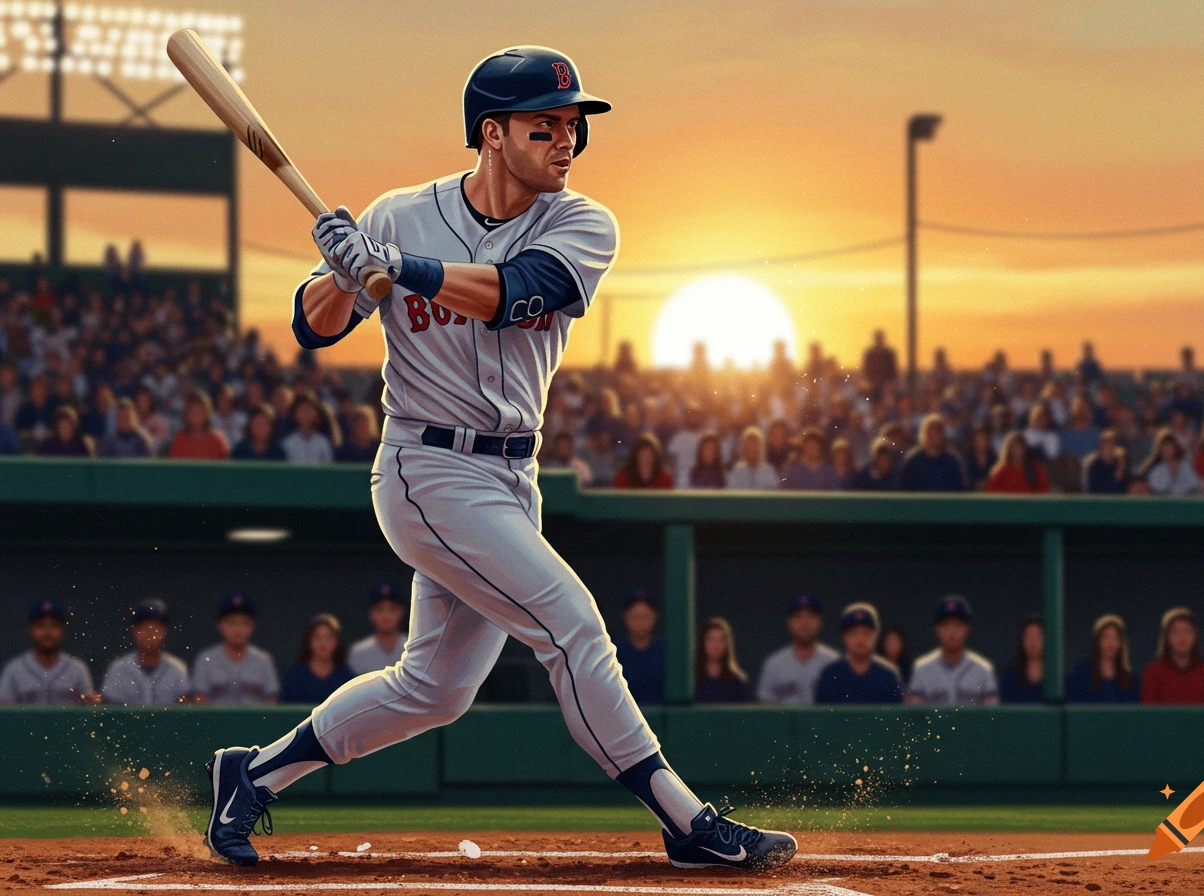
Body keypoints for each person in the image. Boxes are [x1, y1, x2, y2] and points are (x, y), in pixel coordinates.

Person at [202, 48, 795, 872]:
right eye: (544, 125)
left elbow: (515, 292)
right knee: (573, 627)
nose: (566, 141)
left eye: (572, 126)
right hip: (426, 468)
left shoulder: (582, 223)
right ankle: (685, 821)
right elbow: (313, 327)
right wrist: (339, 275)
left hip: (513, 476)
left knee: (434, 690)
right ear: (491, 133)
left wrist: (398, 267)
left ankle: (253, 775)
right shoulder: (398, 214)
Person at [905, 596, 999, 705]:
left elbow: (992, 713)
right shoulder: (922, 669)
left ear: (967, 628)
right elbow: (916, 714)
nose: (952, 631)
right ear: (937, 629)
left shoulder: (983, 670)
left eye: (957, 625)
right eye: (945, 625)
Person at [190, 595, 280, 705]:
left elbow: (271, 702)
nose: (238, 629)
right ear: (220, 625)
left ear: (252, 626)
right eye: (231, 622)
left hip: (254, 716)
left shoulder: (264, 660)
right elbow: (199, 702)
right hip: (217, 716)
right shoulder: (206, 659)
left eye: (244, 623)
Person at [0, 599, 94, 705]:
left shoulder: (77, 669)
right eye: (40, 626)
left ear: (63, 629)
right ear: (30, 629)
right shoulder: (14, 669)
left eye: (54, 625)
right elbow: (3, 709)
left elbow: (90, 709)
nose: (47, 632)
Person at [100, 601, 190, 705]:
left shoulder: (177, 669)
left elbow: (185, 708)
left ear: (164, 632)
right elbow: (109, 708)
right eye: (145, 628)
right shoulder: (119, 669)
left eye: (155, 628)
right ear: (134, 631)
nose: (150, 634)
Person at [756, 595, 839, 705]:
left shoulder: (834, 661)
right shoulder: (774, 664)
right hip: (785, 717)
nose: (805, 623)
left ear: (820, 622)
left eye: (811, 617)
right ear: (789, 622)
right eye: (798, 617)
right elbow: (766, 707)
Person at [814, 603, 902, 704]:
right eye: (854, 633)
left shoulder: (888, 676)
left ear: (875, 635)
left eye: (866, 633)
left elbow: (896, 712)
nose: (861, 639)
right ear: (844, 637)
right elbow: (822, 712)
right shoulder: (830, 675)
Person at [1141, 608, 1204, 704]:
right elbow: (1149, 710)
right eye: (1175, 631)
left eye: (1187, 631)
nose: (1182, 637)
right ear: (1166, 637)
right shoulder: (1153, 672)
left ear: (1195, 636)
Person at [279, 614, 355, 705]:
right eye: (317, 637)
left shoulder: (346, 679)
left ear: (337, 642)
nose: (323, 643)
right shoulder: (294, 677)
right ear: (309, 641)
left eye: (328, 637)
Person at [1065, 615, 1140, 703]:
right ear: (1097, 641)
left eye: (1115, 638)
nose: (1110, 643)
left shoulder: (1130, 681)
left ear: (1121, 643)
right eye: (1105, 637)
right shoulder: (1081, 675)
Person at [613, 590, 664, 705]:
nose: (640, 622)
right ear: (625, 617)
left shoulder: (665, 651)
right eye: (635, 617)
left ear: (654, 617)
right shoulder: (615, 652)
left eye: (645, 617)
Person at [348, 583, 408, 675]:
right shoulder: (359, 653)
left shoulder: (414, 648)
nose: (386, 615)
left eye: (392, 609)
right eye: (379, 609)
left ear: (401, 611)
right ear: (371, 613)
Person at [899, 414, 966, 492]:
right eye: (929, 433)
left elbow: (960, 489)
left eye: (936, 433)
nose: (933, 437)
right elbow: (903, 488)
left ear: (942, 435)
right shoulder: (912, 460)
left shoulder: (952, 461)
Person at [694, 618, 751, 703]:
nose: (716, 645)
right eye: (711, 639)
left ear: (727, 644)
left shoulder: (738, 682)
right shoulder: (691, 680)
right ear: (702, 642)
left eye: (721, 640)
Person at [168, 391, 231, 460]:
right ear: (186, 414)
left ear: (207, 414)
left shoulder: (218, 440)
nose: (196, 415)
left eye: (200, 411)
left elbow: (226, 464)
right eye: (193, 411)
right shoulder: (179, 440)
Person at [1141, 428, 1200, 496]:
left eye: (1169, 446)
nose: (1167, 450)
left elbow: (1194, 484)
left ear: (1175, 447)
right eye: (1164, 447)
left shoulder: (1185, 464)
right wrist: (1170, 473)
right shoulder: (1153, 466)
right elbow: (1156, 487)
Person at [985, 432, 1049, 494]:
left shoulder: (1036, 469)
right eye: (1014, 448)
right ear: (1008, 450)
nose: (1017, 450)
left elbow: (1043, 489)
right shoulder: (1000, 470)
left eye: (1019, 447)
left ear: (1025, 449)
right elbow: (992, 491)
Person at [999, 616, 1045, 703]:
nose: (1033, 641)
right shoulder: (1010, 677)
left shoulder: (1058, 679)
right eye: (1028, 636)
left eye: (1038, 636)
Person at [281, 394, 335, 463]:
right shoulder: (287, 443)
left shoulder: (323, 442)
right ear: (295, 414)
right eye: (302, 410)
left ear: (316, 414)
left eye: (309, 410)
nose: (305, 414)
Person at [1082, 430, 1128, 494]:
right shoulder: (1095, 466)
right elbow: (1095, 489)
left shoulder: (1121, 464)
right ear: (1100, 449)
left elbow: (1124, 486)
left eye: (1111, 447)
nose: (1108, 450)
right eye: (1106, 447)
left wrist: (1121, 467)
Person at [861, 330, 898, 394]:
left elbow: (893, 370)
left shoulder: (888, 354)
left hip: (886, 385)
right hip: (872, 385)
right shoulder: (870, 354)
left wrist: (890, 383)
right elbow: (865, 370)